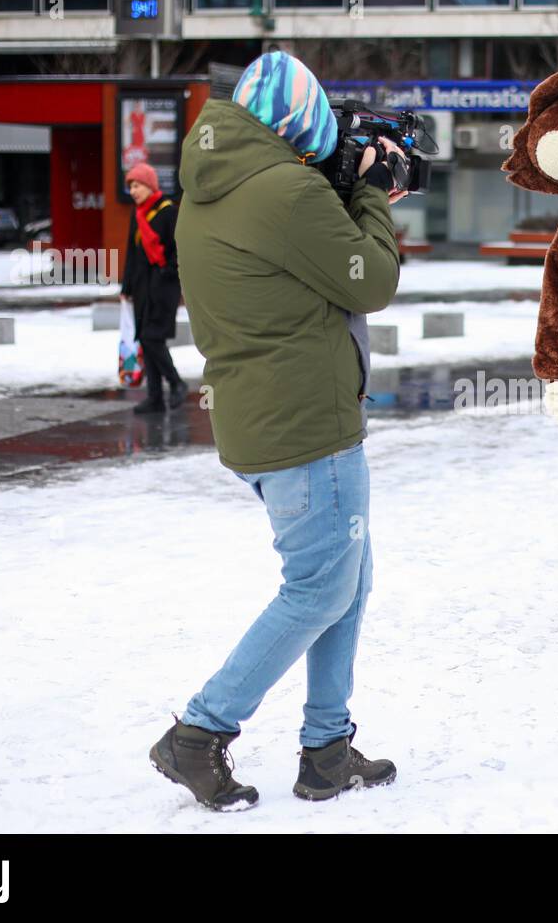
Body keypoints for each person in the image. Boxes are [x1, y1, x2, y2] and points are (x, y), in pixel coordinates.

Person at [148, 51, 408, 810]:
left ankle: (326, 750)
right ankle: (199, 732)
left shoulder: (214, 181)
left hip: (264, 416)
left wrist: (341, 188)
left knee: (345, 584)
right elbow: (373, 278)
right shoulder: (286, 189)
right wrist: (370, 190)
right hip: (306, 425)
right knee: (319, 588)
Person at [121, 162, 188, 414]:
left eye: (137, 185)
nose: (134, 191)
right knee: (145, 338)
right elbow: (132, 252)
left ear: (150, 185)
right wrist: (126, 286)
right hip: (141, 287)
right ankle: (155, 397)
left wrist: (165, 273)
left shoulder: (168, 212)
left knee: (152, 338)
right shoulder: (136, 214)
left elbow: (178, 250)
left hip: (163, 286)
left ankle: (176, 382)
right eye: (131, 187)